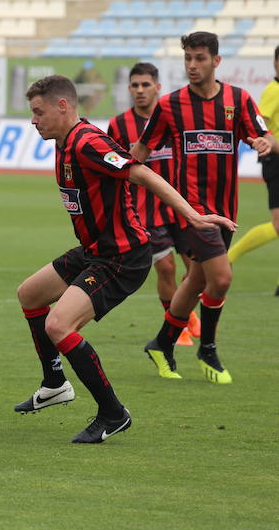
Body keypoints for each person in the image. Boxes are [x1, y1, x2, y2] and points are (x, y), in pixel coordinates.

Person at [14, 75, 235, 443]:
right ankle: (54, 383)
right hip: (94, 251)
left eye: (39, 112)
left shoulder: (88, 143)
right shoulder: (65, 140)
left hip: (122, 257)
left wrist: (194, 216)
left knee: (58, 325)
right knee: (30, 294)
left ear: (63, 106)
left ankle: (113, 414)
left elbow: (141, 172)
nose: (34, 120)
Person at [134, 32, 277, 384]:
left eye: (199, 58)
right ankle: (208, 348)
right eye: (187, 58)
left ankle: (162, 343)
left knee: (196, 281)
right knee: (222, 278)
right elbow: (140, 152)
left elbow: (265, 135)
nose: (192, 65)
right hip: (193, 212)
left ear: (216, 61)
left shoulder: (238, 99)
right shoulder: (169, 105)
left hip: (226, 210)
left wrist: (263, 142)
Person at [107, 62, 200, 348]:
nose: (139, 90)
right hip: (145, 211)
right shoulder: (118, 125)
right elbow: (111, 166)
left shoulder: (174, 118)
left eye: (145, 85)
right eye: (134, 85)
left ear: (158, 87)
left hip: (181, 206)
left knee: (198, 270)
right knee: (166, 269)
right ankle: (177, 327)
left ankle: (183, 312)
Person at [227, 43, 279, 295]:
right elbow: (263, 132)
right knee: (278, 225)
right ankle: (230, 256)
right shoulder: (273, 91)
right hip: (276, 161)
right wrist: (266, 143)